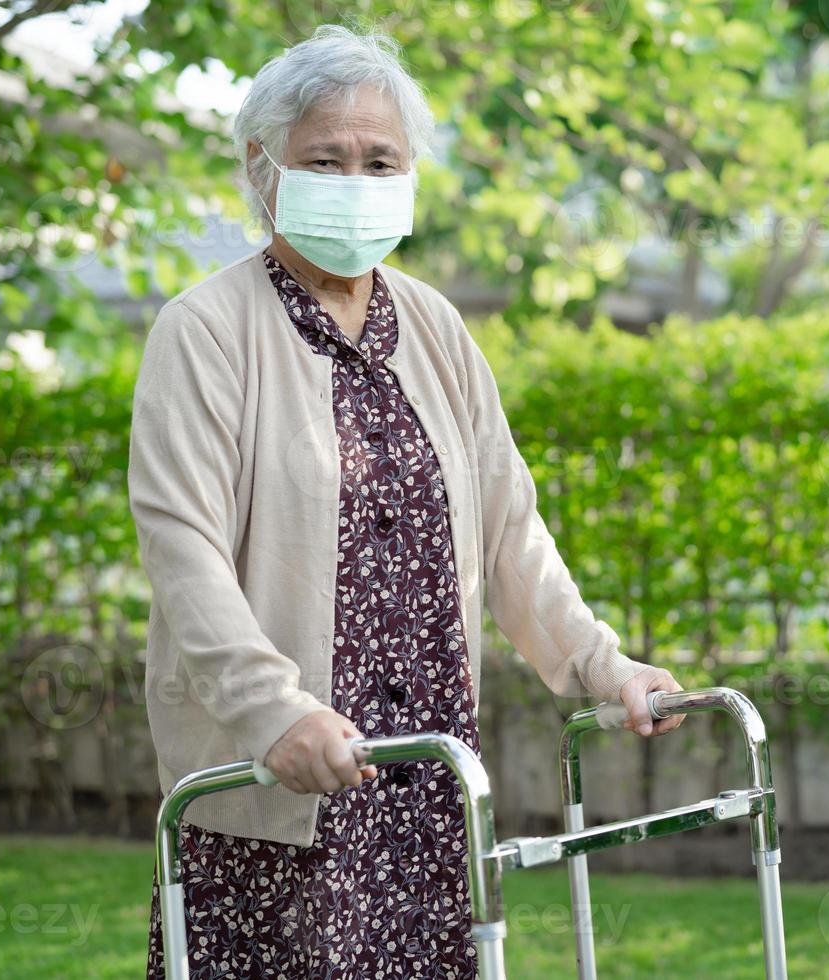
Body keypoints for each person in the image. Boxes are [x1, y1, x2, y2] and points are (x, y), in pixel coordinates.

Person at [130, 25, 683, 978]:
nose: (354, 180)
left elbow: (512, 530)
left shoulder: (433, 325)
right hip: (282, 792)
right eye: (324, 159)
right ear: (263, 170)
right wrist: (276, 715)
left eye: (379, 160)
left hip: (427, 785)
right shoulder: (205, 332)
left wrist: (604, 664)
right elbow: (186, 553)